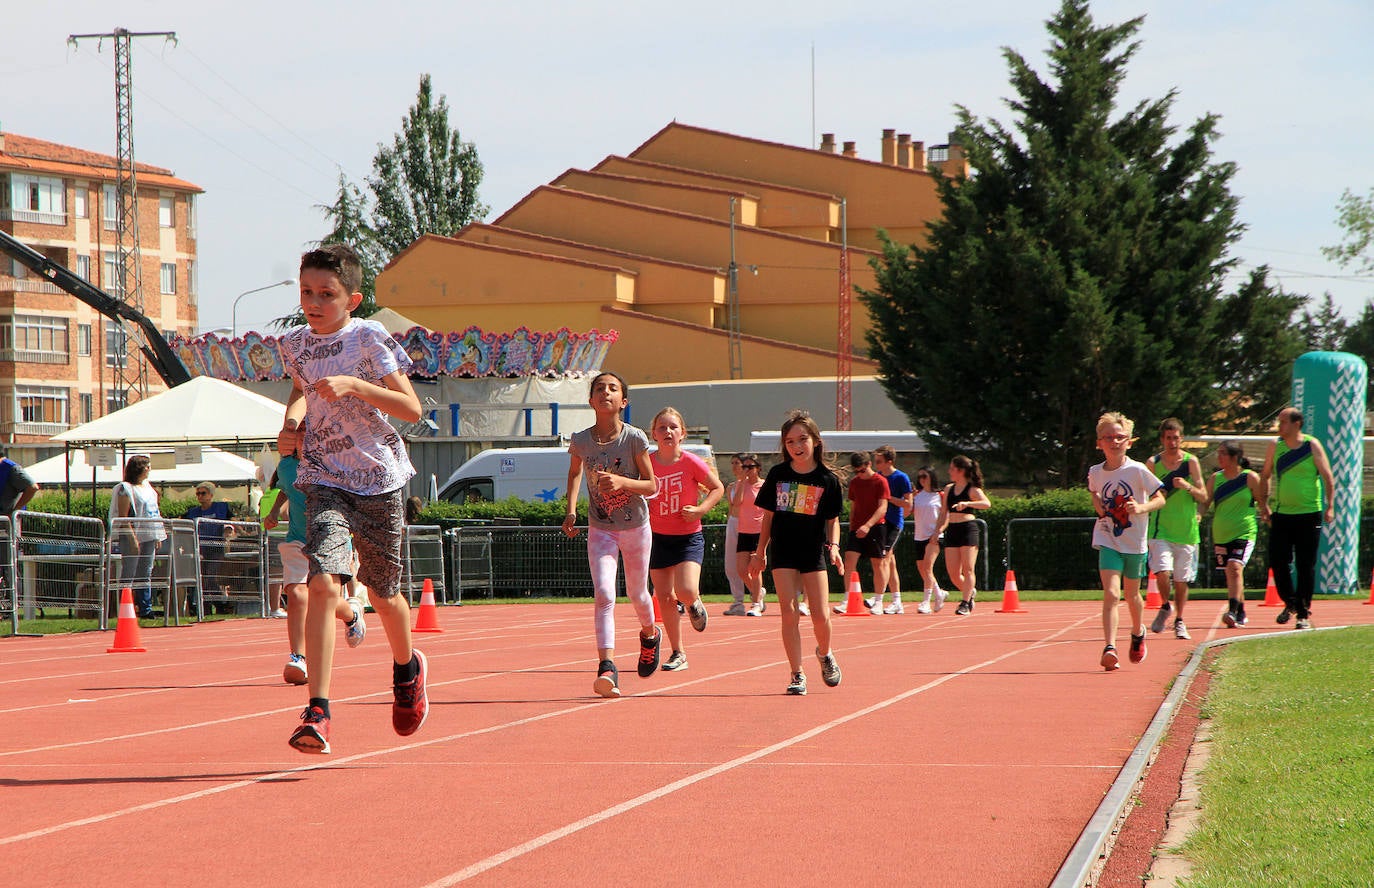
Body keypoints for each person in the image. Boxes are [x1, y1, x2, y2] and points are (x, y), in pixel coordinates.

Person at [276, 243, 428, 754]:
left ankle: (407, 668)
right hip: (323, 476)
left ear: (352, 299)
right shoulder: (293, 344)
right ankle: (317, 709)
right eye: (306, 292)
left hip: (378, 479)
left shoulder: (367, 337)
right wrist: (291, 422)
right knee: (321, 583)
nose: (314, 302)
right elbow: (301, 390)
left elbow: (410, 407)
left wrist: (356, 387)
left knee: (383, 595)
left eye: (326, 294)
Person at [563, 371, 662, 698]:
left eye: (613, 388)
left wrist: (623, 483)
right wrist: (571, 509)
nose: (605, 392)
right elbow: (575, 472)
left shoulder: (634, 439)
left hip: (635, 526)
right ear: (591, 400)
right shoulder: (580, 440)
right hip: (601, 527)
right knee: (604, 593)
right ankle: (607, 666)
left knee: (637, 594)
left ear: (623, 401)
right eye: (599, 388)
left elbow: (652, 485)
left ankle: (650, 636)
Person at [747, 411, 844, 696]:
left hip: (812, 551)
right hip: (783, 551)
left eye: (802, 439)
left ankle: (825, 654)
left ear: (815, 440)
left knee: (820, 615)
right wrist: (759, 552)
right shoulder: (778, 475)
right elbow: (767, 517)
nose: (796, 446)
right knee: (788, 613)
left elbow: (832, 521)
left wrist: (834, 547)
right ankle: (796, 673)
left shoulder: (827, 479)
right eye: (790, 441)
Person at [264, 451, 367, 685]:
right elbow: (285, 488)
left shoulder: (333, 457)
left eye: (303, 430)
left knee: (324, 599)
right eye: (296, 431)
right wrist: (273, 512)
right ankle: (299, 658)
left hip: (328, 538)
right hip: (297, 539)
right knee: (298, 593)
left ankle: (351, 615)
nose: (299, 436)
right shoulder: (287, 465)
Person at [647, 407, 724, 672]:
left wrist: (701, 510)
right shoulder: (647, 462)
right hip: (657, 538)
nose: (667, 432)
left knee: (686, 590)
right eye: (662, 428)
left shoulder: (690, 462)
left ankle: (693, 603)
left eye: (673, 427)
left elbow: (718, 488)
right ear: (653, 434)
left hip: (687, 537)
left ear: (682, 433)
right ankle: (678, 652)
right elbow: (636, 490)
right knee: (664, 597)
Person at [1088, 412, 1166, 671]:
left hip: (1135, 543)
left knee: (1132, 595)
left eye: (1119, 437)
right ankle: (1109, 646)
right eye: (1108, 437)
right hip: (1108, 537)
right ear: (1099, 442)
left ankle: (1137, 631)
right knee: (1111, 593)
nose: (1114, 441)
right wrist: (1099, 506)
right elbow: (1095, 493)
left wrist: (1142, 508)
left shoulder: (1138, 470)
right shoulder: (1095, 471)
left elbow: (1161, 497)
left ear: (1130, 442)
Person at [1257, 406, 1335, 631]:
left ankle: (1302, 612)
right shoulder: (1276, 446)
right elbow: (1265, 476)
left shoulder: (1311, 445)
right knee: (1278, 561)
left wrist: (1330, 506)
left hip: (1309, 514)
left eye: (1283, 422)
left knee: (1305, 564)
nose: (1279, 426)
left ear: (1296, 424)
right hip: (1282, 514)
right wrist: (1264, 504)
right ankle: (1290, 601)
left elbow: (1328, 477)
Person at [1145, 418, 1206, 641]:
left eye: (1176, 438)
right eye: (1168, 438)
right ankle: (1164, 605)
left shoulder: (1191, 462)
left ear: (1182, 438)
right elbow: (1147, 493)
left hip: (1187, 531)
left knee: (1181, 581)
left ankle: (1180, 620)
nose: (1173, 442)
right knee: (1162, 572)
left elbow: (1204, 496)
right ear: (1162, 439)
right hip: (1160, 530)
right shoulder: (1153, 463)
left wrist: (1187, 486)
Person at [1205, 440, 1260, 629]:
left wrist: (1268, 514)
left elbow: (1262, 500)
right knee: (1233, 573)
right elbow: (1205, 501)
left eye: (1222, 453)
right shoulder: (1215, 479)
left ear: (1235, 457)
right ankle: (1241, 612)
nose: (1218, 457)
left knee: (1235, 568)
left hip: (1244, 531)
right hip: (1221, 533)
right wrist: (1197, 512)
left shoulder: (1250, 478)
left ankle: (1232, 611)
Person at [833, 451, 890, 616]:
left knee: (877, 564)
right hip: (856, 529)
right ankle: (847, 599)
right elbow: (854, 506)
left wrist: (867, 525)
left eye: (862, 470)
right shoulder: (855, 483)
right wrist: (853, 527)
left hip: (876, 528)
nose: (859, 474)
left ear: (869, 465)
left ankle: (878, 601)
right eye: (856, 471)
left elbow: (882, 508)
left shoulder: (881, 481)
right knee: (849, 561)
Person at [109, 454, 167, 619]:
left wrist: (157, 535)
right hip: (132, 534)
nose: (149, 469)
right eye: (147, 466)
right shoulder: (125, 488)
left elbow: (154, 512)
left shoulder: (148, 487)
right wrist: (132, 538)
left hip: (149, 534)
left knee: (146, 572)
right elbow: (123, 516)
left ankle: (145, 608)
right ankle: (125, 609)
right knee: (129, 572)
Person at [937, 454, 990, 616]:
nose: (949, 471)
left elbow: (986, 504)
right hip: (952, 529)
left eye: (952, 468)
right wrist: (937, 530)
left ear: (960, 471)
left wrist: (968, 503)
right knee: (953, 573)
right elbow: (943, 513)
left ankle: (965, 602)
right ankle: (970, 592)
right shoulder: (949, 489)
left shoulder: (973, 489)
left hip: (968, 528)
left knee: (968, 568)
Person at [872, 445, 913, 614]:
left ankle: (878, 599)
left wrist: (889, 498)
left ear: (889, 461)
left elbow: (908, 503)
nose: (876, 464)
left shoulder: (901, 477)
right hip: (880, 523)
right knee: (890, 563)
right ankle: (897, 600)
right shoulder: (877, 477)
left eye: (879, 461)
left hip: (894, 522)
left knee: (885, 559)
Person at [186, 480, 235, 615]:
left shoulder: (221, 507)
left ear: (211, 494)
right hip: (200, 549)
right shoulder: (192, 512)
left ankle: (221, 603)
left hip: (216, 548)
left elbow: (231, 523)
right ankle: (209, 608)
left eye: (203, 493)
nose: (200, 496)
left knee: (209, 577)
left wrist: (229, 530)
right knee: (202, 578)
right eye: (198, 494)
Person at [732, 454, 769, 616]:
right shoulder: (742, 484)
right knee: (741, 570)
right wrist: (741, 481)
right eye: (745, 467)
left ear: (758, 468)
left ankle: (755, 603)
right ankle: (758, 592)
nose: (747, 470)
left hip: (758, 531)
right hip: (744, 531)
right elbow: (737, 503)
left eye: (750, 467)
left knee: (755, 570)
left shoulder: (764, 485)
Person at [0, 453, 40, 595]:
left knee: (8, 565)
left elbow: (32, 487)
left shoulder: (11, 469)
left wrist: (15, 510)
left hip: (6, 528)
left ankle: (11, 603)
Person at [910, 466, 947, 614]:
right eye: (919, 477)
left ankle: (926, 601)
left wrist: (938, 532)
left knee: (927, 567)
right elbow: (908, 512)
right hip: (919, 535)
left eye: (924, 476)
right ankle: (939, 593)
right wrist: (910, 499)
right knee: (922, 569)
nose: (922, 480)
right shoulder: (917, 495)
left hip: (934, 536)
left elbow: (945, 517)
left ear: (932, 477)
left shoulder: (940, 495)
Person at [721, 455, 748, 616]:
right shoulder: (731, 486)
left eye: (737, 463)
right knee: (731, 565)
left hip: (749, 525)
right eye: (732, 463)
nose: (733, 466)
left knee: (748, 566)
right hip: (733, 523)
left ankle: (757, 596)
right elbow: (732, 508)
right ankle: (738, 601)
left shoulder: (754, 485)